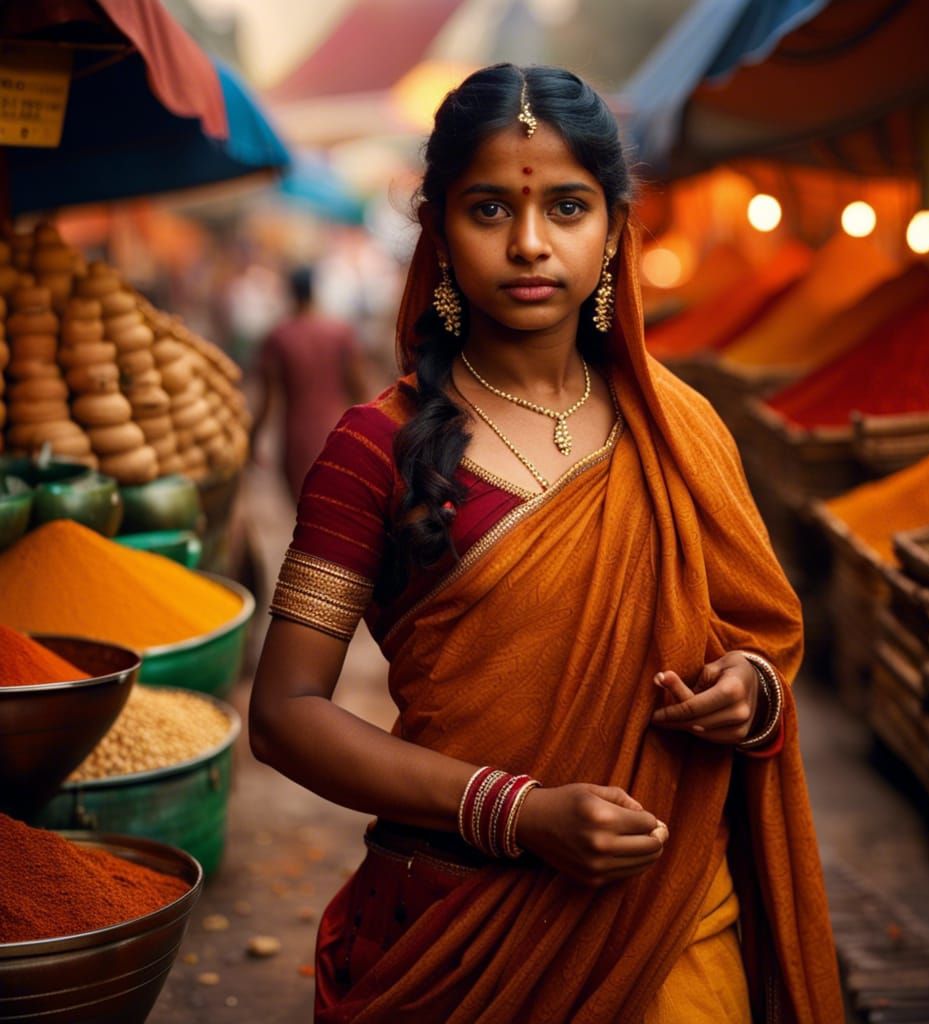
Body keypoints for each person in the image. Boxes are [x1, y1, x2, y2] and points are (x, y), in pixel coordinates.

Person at [250, 64, 843, 1023]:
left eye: (567, 207)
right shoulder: (376, 449)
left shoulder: (678, 427)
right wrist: (516, 812)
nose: (530, 244)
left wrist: (749, 691)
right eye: (489, 210)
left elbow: (761, 637)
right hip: (461, 933)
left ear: (613, 230)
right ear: (438, 229)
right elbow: (283, 713)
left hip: (678, 917)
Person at [251, 265, 368, 501]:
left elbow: (268, 400)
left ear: (290, 292)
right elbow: (359, 388)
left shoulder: (279, 337)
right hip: (338, 431)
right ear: (314, 291)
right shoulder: (340, 333)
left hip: (297, 438)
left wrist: (252, 439)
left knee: (305, 514)